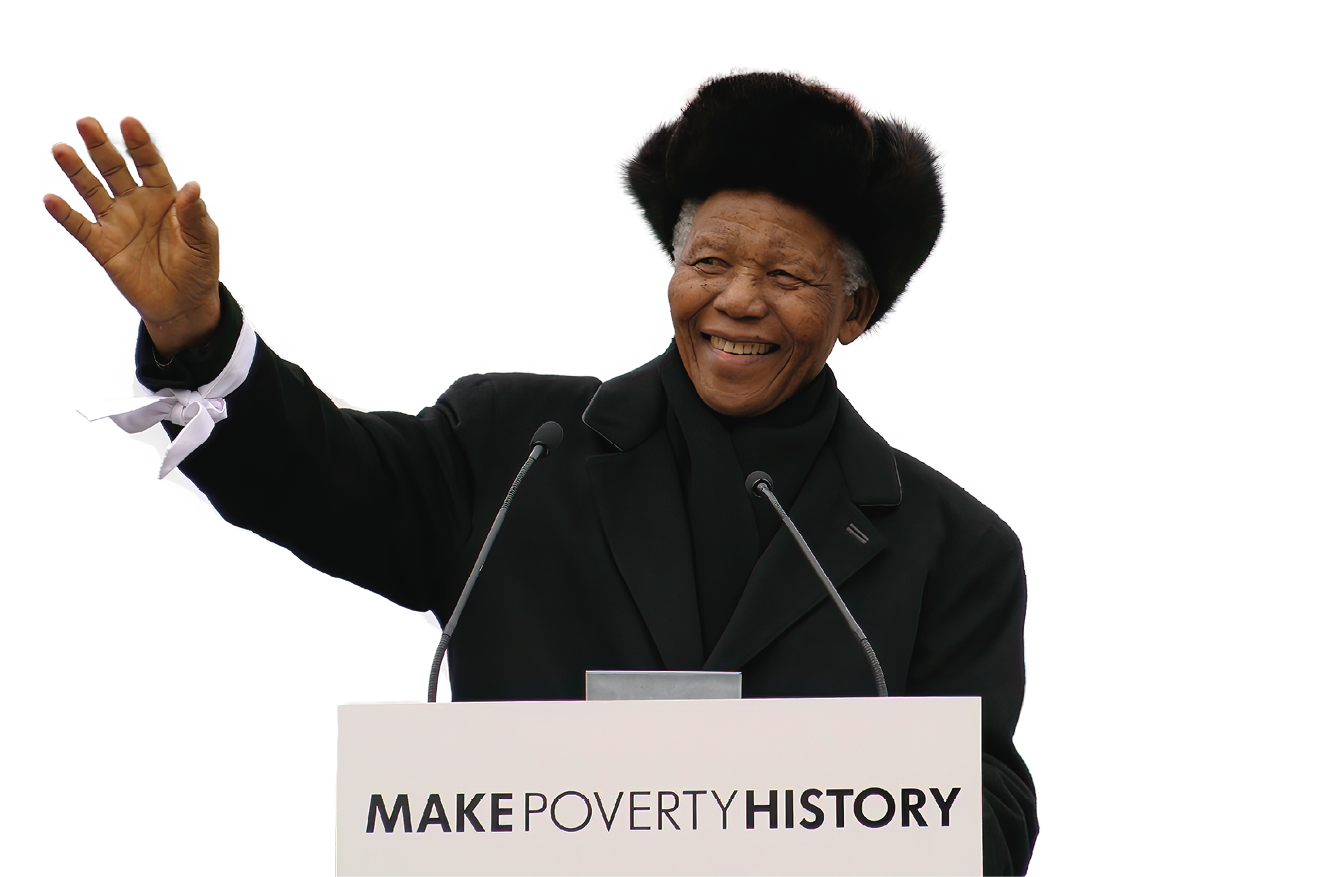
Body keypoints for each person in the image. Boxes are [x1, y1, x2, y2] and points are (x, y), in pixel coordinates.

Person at [44, 67, 1038, 874]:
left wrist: (773, 814)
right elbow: (322, 476)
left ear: (853, 313)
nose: (736, 301)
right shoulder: (515, 444)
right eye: (708, 263)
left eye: (784, 277)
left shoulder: (955, 550)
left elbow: (986, 825)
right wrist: (193, 327)